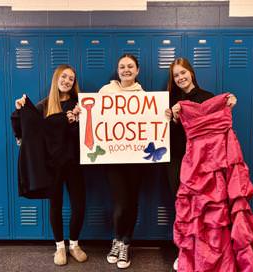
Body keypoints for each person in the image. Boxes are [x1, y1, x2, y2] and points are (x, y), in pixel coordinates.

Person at [167, 58, 253, 271]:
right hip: (183, 162)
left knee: (212, 211)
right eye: (176, 75)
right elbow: (166, 139)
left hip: (209, 163)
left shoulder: (209, 98)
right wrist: (173, 118)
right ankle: (188, 252)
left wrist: (229, 104)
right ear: (173, 80)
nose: (181, 77)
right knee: (190, 211)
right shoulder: (171, 102)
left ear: (191, 73)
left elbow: (220, 128)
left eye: (183, 73)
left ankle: (213, 252)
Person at [13, 64, 87, 266]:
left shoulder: (80, 104)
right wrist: (20, 109)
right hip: (52, 166)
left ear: (74, 83)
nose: (67, 81)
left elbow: (90, 134)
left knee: (79, 205)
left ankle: (74, 244)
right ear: (56, 79)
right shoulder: (44, 106)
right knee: (55, 206)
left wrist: (79, 119)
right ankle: (60, 247)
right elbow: (25, 128)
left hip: (74, 163)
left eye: (71, 78)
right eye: (63, 77)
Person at [99, 54, 145, 269]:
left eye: (130, 67)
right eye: (122, 67)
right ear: (117, 70)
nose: (126, 70)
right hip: (113, 159)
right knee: (120, 204)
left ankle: (126, 243)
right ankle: (117, 239)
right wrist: (83, 112)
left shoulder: (144, 96)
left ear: (137, 71)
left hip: (136, 160)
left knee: (132, 201)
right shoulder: (106, 92)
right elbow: (94, 117)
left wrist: (164, 115)